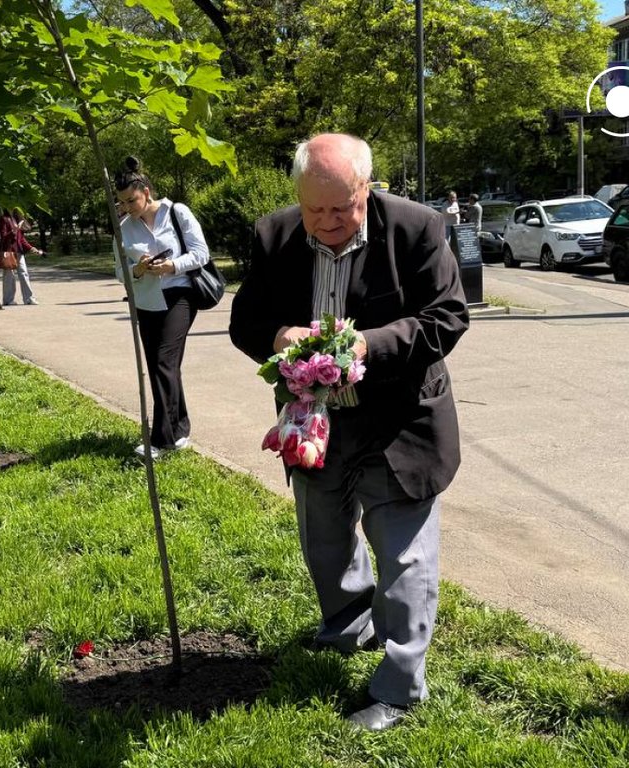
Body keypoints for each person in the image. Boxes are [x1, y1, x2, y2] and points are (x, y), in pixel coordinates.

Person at [228, 133, 468, 732]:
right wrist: (279, 337)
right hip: (314, 422)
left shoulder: (416, 228)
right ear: (299, 198)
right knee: (324, 538)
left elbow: (447, 316)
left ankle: (399, 683)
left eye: (343, 208)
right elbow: (245, 321)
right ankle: (347, 624)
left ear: (367, 187)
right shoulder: (274, 234)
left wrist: (369, 344)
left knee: (403, 557)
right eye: (315, 210)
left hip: (398, 421)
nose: (328, 223)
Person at [116, 155, 211, 459]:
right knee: (166, 367)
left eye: (132, 200)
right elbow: (120, 270)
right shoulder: (124, 227)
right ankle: (180, 429)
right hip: (147, 301)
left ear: (146, 190)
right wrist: (139, 270)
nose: (128, 207)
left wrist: (171, 266)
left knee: (162, 364)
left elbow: (201, 254)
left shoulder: (177, 212)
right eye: (123, 203)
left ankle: (161, 440)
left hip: (180, 295)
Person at [0, 208, 41, 306]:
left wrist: (31, 248)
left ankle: (29, 298)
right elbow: (3, 236)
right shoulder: (4, 219)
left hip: (19, 252)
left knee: (24, 273)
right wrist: (14, 230)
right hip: (8, 252)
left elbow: (21, 239)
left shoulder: (16, 218)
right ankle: (8, 300)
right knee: (9, 276)